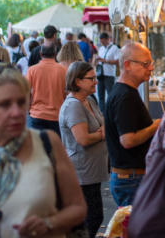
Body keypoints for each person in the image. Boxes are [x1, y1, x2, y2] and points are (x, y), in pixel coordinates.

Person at [0, 64, 86, 238]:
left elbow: (78, 208)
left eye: (21, 102)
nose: (17, 112)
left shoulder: (47, 142)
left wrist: (49, 223)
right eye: (4, 105)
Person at [104, 42, 160, 206]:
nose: (150, 68)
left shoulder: (125, 93)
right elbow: (127, 140)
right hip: (130, 179)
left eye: (151, 63)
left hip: (130, 178)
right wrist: (155, 126)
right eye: (145, 64)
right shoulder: (125, 97)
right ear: (127, 65)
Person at [59, 61, 107, 238]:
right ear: (77, 81)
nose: (96, 81)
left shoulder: (89, 100)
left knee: (93, 218)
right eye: (91, 79)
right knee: (92, 218)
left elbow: (103, 123)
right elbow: (83, 139)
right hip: (81, 173)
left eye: (95, 78)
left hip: (91, 171)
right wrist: (102, 134)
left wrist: (102, 131)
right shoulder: (73, 106)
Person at [27, 44, 67, 134]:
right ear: (55, 53)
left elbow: (26, 92)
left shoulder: (32, 70)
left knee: (38, 146)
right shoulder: (63, 70)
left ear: (40, 54)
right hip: (57, 115)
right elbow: (67, 92)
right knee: (54, 146)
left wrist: (28, 108)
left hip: (36, 114)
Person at [94, 32, 120, 106]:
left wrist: (105, 61)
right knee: (100, 95)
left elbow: (118, 62)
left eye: (103, 41)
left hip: (109, 74)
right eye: (101, 41)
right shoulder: (101, 49)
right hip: (100, 74)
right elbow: (99, 60)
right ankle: (102, 112)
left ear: (108, 39)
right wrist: (97, 60)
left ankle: (110, 111)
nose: (102, 43)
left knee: (110, 94)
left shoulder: (114, 48)